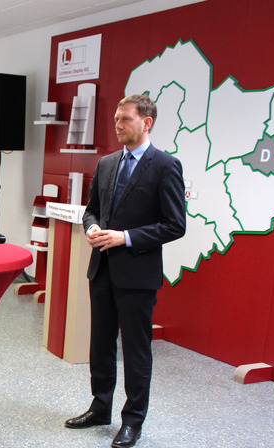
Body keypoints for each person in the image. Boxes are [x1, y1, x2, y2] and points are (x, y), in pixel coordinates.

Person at [65, 94, 186, 448]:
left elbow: (175, 225)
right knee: (100, 344)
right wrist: (90, 228)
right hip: (101, 269)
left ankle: (133, 420)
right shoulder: (105, 164)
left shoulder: (165, 166)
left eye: (126, 120)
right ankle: (100, 407)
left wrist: (127, 237)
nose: (118, 126)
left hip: (137, 274)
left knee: (135, 350)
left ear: (146, 123)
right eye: (116, 119)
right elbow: (92, 211)